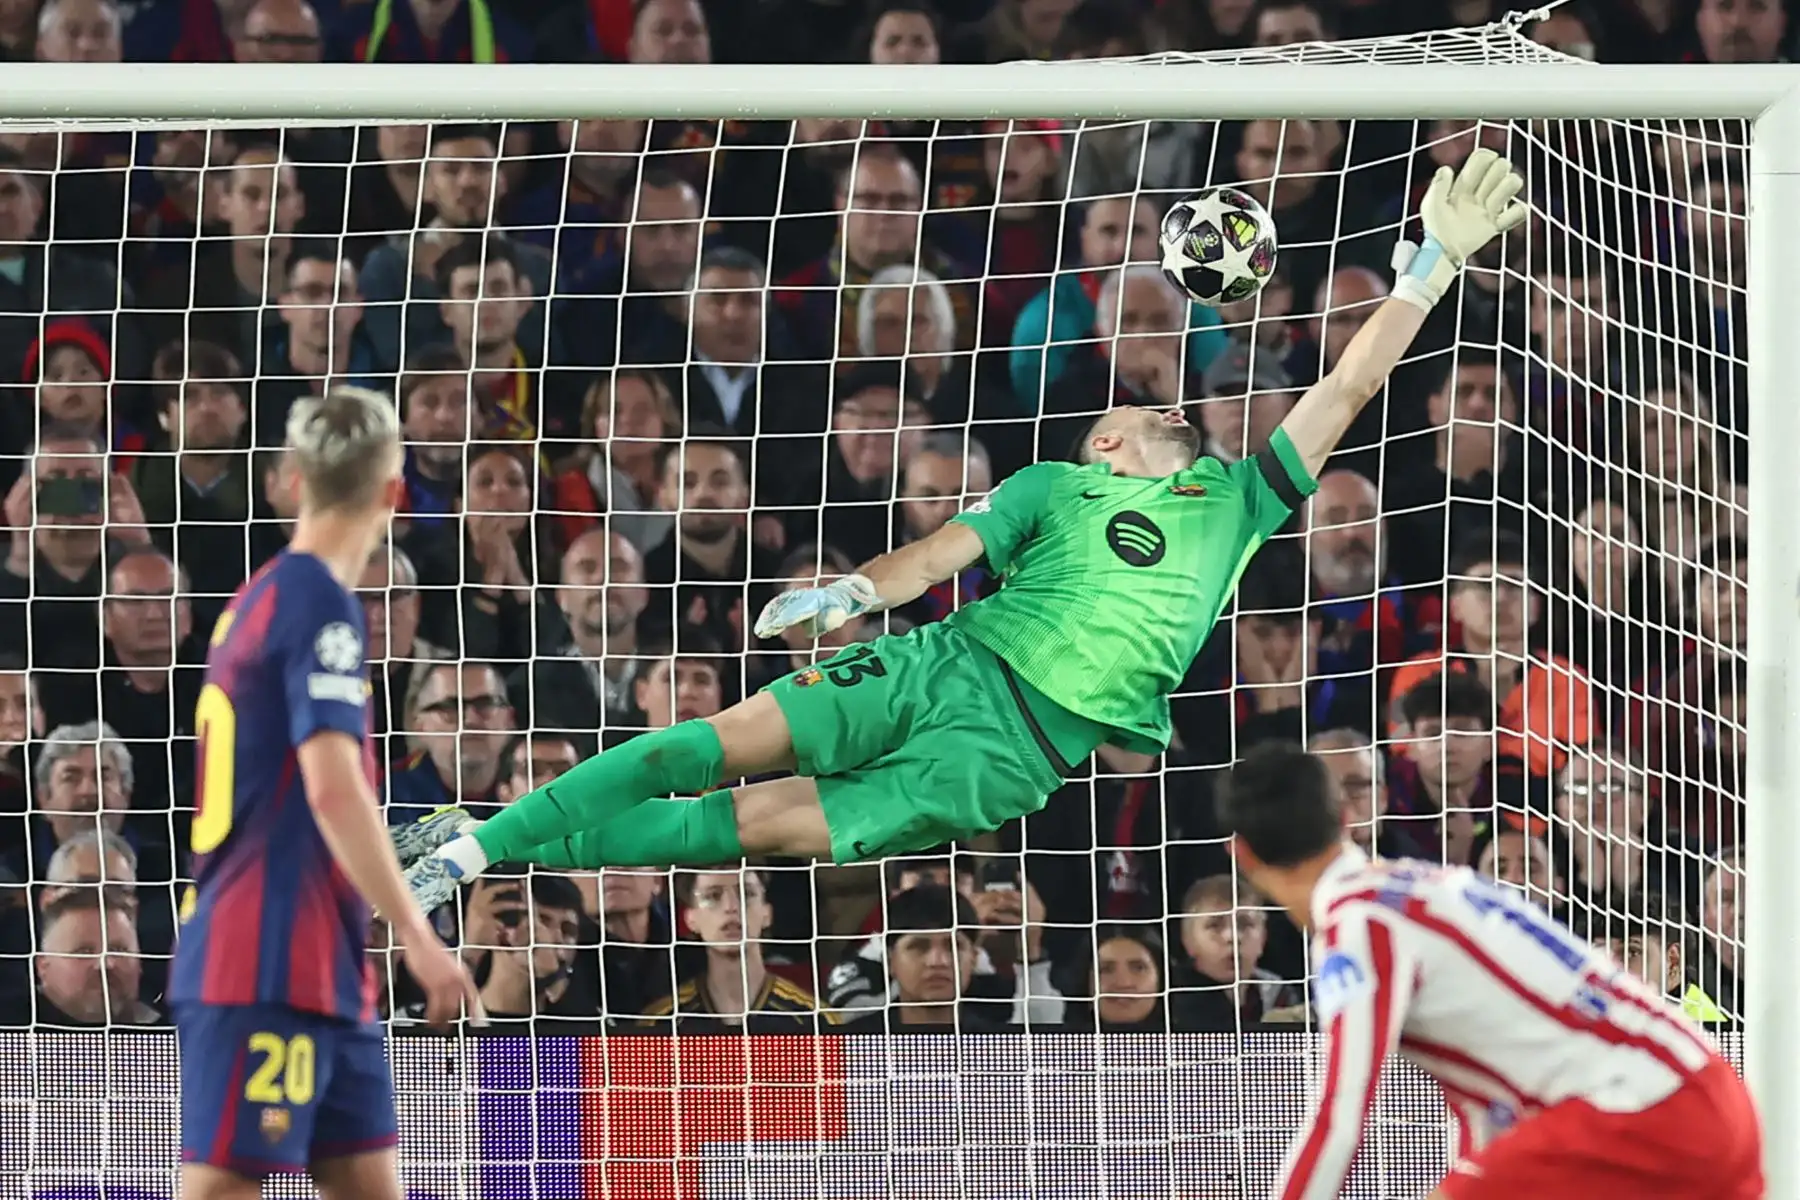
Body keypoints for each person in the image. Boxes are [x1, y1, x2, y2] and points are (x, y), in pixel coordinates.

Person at [396, 150, 1531, 911]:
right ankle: (475, 849)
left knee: (750, 830)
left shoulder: (1241, 499)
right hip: (946, 660)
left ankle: (479, 837)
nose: (1154, 401)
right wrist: (852, 597)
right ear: (1108, 449)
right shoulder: (1051, 485)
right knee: (696, 749)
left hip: (1011, 754)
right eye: (1131, 408)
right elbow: (942, 555)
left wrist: (1430, 262)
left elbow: (1346, 384)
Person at [166, 388, 475, 1200]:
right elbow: (335, 789)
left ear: (291, 480)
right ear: (394, 493)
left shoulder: (260, 596)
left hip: (326, 964)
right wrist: (418, 928)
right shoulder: (319, 605)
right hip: (263, 957)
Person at [1217, 743, 1761, 1200]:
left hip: (1638, 1113)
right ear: (1344, 818)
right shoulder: (1436, 884)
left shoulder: (1359, 924)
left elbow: (1340, 1114)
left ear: (1240, 853)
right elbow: (1492, 1118)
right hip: (1711, 1098)